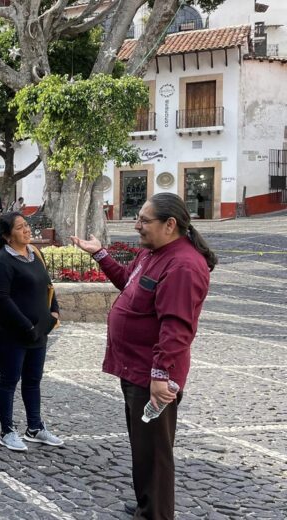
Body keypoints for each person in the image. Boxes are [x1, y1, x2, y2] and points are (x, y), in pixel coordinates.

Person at [71, 192, 215, 520]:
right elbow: (127, 282)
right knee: (142, 445)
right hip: (135, 372)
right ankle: (146, 505)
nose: (137, 226)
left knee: (154, 452)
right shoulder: (153, 253)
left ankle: (156, 513)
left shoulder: (182, 265)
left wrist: (161, 376)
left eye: (144, 221)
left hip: (153, 380)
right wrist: (101, 255)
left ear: (170, 225)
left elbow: (176, 328)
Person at [0, 212, 63, 452]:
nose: (27, 230)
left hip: (39, 332)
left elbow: (48, 285)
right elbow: (2, 300)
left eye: (27, 225)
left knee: (33, 380)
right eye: (20, 227)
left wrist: (54, 313)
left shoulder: (34, 254)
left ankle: (34, 427)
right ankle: (7, 430)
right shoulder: (0, 262)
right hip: (11, 333)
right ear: (8, 236)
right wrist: (26, 326)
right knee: (9, 380)